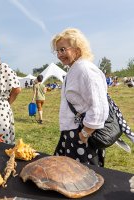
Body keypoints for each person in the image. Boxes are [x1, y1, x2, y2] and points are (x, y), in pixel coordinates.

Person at [52, 28, 109, 167]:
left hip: (81, 136)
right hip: (72, 133)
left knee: (82, 180)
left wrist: (84, 134)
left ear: (78, 49)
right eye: (57, 51)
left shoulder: (84, 69)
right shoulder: (74, 69)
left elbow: (99, 107)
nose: (59, 55)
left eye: (63, 49)